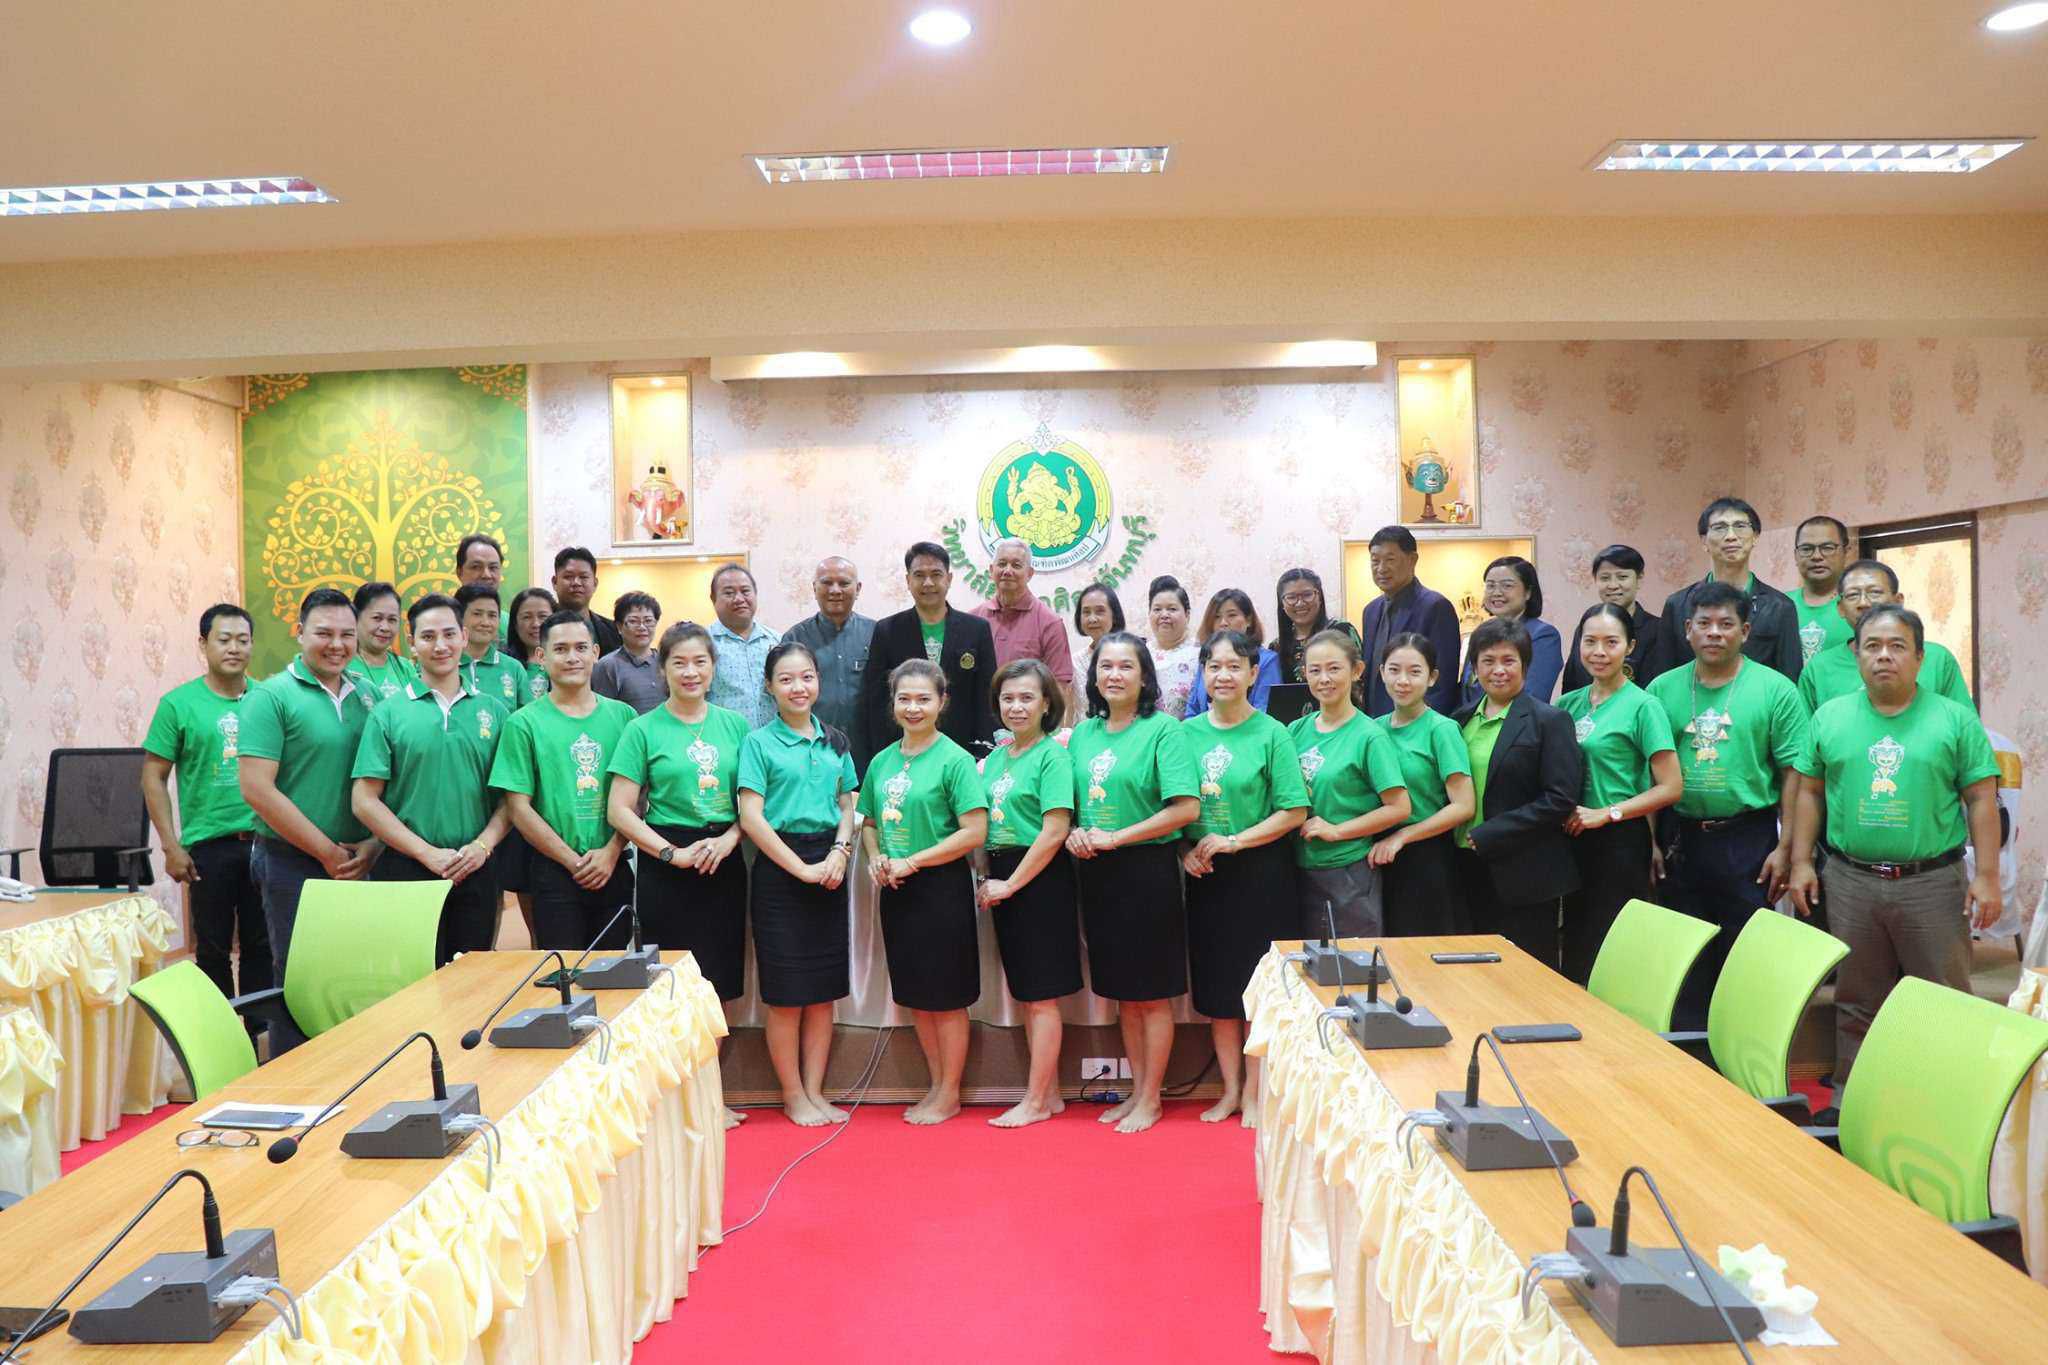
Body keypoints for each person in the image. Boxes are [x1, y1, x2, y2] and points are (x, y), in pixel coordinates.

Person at [1789, 604, 2001, 1084]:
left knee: (1943, 998)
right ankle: (1852, 1095)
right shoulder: (1830, 716)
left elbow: (1981, 799)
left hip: (1932, 883)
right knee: (1856, 998)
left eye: (1897, 646)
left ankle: (1946, 1096)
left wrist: (1988, 876)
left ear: (1920, 657)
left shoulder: (1954, 719)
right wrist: (1801, 861)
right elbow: (1809, 792)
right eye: (1873, 646)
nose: (1884, 656)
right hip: (1851, 880)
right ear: (1857, 656)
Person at [1644, 581, 1812, 1027]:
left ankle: (1741, 1042)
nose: (1714, 633)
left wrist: (1787, 849)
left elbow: (1794, 775)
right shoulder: (1661, 689)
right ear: (1687, 629)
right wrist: (1651, 842)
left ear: (1745, 631)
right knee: (1686, 953)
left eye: (1726, 624)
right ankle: (1689, 1046)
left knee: (1745, 952)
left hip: (1748, 837)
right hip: (1681, 835)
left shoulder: (1776, 689)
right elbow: (1648, 773)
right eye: (1704, 623)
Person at [1065, 632, 1200, 1134]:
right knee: (1123, 991)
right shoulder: (1083, 734)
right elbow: (1074, 805)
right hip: (1097, 873)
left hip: (1146, 872)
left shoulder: (1164, 730)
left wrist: (1118, 837)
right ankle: (1136, 1091)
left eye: (1126, 666)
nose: (1114, 675)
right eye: (1106, 666)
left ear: (1144, 676)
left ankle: (1152, 1098)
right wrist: (1077, 833)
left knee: (1151, 992)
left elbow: (1185, 809)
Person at [1181, 629, 1309, 1125]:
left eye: (1235, 666)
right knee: (1219, 992)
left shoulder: (1273, 733)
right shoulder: (1185, 733)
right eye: (1214, 666)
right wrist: (1185, 852)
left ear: (1254, 674)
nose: (1224, 675)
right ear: (1203, 674)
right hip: (1206, 873)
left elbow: (1294, 811)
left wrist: (1236, 840)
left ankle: (1256, 1094)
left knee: (1257, 991)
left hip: (1261, 875)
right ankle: (1229, 1090)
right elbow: (1173, 806)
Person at [737, 640, 860, 1127]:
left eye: (806, 677)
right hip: (779, 870)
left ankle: (815, 1091)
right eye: (786, 679)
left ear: (818, 681)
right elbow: (752, 817)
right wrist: (801, 869)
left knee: (823, 993)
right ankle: (792, 1095)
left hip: (829, 865)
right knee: (787, 995)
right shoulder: (757, 743)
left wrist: (839, 852)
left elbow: (848, 804)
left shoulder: (835, 740)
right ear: (769, 687)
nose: (798, 687)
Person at [861, 660, 989, 1126]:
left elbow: (974, 831)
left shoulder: (955, 760)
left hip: (940, 889)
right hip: (896, 889)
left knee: (947, 997)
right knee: (917, 995)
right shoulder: (881, 760)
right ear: (893, 702)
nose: (913, 708)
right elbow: (869, 823)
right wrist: (876, 857)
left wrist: (914, 861)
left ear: (942, 702)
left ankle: (950, 1092)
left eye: (923, 699)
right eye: (904, 699)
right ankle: (936, 1086)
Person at [351, 593, 512, 964]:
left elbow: (510, 800)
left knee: (472, 977)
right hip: (406, 868)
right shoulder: (388, 713)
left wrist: (482, 846)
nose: (440, 646)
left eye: (449, 634)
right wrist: (426, 853)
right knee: (412, 979)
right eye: (428, 636)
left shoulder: (494, 711)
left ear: (464, 637)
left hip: (475, 866)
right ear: (412, 643)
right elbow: (364, 800)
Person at [606, 622, 752, 1004]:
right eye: (679, 663)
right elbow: (619, 810)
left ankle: (716, 1046)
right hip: (665, 859)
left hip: (723, 857)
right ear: (663, 669)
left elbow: (753, 802)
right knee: (668, 981)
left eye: (700, 662)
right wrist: (672, 854)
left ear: (713, 667)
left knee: (718, 979)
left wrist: (730, 839)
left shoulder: (736, 725)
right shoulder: (641, 729)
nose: (691, 672)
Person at [238, 587, 379, 979]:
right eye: (324, 633)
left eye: (347, 635)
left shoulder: (369, 695)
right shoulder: (271, 696)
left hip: (358, 859)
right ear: (300, 632)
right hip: (290, 859)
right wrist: (325, 852)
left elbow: (386, 778)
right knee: (303, 976)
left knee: (358, 974)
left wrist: (375, 843)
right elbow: (256, 789)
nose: (337, 645)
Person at [141, 604, 269, 1003]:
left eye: (243, 640)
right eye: (224, 639)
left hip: (266, 842)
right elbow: (153, 776)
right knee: (212, 949)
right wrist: (171, 846)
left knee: (264, 946)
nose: (234, 648)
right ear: (203, 644)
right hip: (209, 846)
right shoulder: (178, 704)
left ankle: (260, 1032)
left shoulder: (269, 699)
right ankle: (222, 1031)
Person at [487, 611, 635, 950]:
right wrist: (572, 861)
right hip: (554, 869)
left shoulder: (624, 717)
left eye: (581, 648)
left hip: (613, 863)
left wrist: (612, 851)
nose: (572, 658)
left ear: (595, 653)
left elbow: (637, 796)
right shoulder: (523, 723)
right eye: (561, 649)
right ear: (542, 656)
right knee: (564, 971)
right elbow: (518, 807)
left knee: (614, 971)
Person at [1556, 604, 1683, 984]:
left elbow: (1671, 786)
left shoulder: (1644, 706)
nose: (1599, 651)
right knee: (1574, 943)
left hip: (1619, 839)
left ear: (1630, 647)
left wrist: (1608, 813)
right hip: (1571, 837)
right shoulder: (1567, 704)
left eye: (1611, 642)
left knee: (1611, 948)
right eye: (1589, 641)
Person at [978, 660, 1081, 1129]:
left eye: (1026, 698)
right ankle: (1050, 1094)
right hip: (1003, 875)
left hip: (1038, 878)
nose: (1016, 707)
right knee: (1027, 992)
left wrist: (1012, 883)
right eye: (1008, 698)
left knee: (1042, 997)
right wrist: (995, 880)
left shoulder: (1053, 756)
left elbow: (1055, 830)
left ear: (1045, 704)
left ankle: (1036, 1101)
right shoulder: (996, 759)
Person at [1453, 618, 1584, 967]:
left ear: (1525, 665)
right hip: (1465, 866)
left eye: (1508, 660)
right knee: (1472, 972)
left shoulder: (1549, 720)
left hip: (1526, 872)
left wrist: (1492, 832)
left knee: (1525, 974)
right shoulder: (1459, 720)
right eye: (1488, 661)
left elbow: (1560, 798)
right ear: (1474, 667)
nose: (1498, 670)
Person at [1287, 628, 1410, 936]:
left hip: (1348, 872)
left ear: (1356, 671)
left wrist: (1337, 831)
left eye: (1334, 668)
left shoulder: (1369, 736)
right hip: (1297, 867)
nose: (1324, 679)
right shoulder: (1294, 731)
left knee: (1351, 961)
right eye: (1315, 670)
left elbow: (1399, 807)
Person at [1367, 633, 1476, 934]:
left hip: (1426, 855)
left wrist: (1403, 836)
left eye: (1415, 672)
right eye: (1394, 670)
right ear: (1381, 673)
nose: (1403, 680)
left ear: (1432, 677)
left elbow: (1463, 806)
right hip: (1376, 852)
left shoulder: (1442, 729)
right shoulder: (1372, 729)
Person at [861, 542, 996, 766]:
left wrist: (983, 754)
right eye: (919, 575)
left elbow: (986, 697)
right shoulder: (887, 630)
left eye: (936, 574)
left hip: (962, 750)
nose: (928, 583)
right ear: (908, 580)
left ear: (949, 579)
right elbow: (875, 701)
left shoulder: (977, 629)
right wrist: (883, 756)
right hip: (904, 750)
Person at [1649, 497, 1802, 682]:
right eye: (1719, 527)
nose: (1731, 536)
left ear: (1755, 536)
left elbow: (1790, 677)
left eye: (1740, 526)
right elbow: (1664, 676)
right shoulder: (1678, 604)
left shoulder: (1779, 607)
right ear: (1704, 540)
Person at [1797, 559, 1973, 713]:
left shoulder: (1937, 659)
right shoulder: (1818, 668)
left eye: (1874, 592)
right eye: (1852, 595)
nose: (1863, 603)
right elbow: (1806, 737)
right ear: (1840, 608)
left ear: (1898, 601)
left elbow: (1965, 727)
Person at [1358, 526, 1463, 716]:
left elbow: (1442, 683)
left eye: (1390, 560)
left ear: (1412, 560)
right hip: (1375, 723)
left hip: (1415, 722)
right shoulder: (1370, 611)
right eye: (1375, 561)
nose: (1381, 568)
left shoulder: (1435, 606)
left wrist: (1423, 727)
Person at [784, 556, 876, 758]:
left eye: (844, 583)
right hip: (811, 750)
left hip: (868, 750)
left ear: (858, 588)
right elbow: (784, 699)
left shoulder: (877, 634)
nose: (835, 590)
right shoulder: (795, 639)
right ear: (814, 588)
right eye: (826, 583)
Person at [1559, 544, 1668, 693]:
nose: (1613, 585)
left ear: (1639, 579)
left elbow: (1660, 687)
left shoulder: (1658, 630)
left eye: (1622, 577)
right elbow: (1572, 684)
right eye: (1605, 578)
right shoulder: (1585, 628)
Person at [972, 538, 1074, 696]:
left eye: (1016, 565)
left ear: (1030, 574)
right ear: (991, 570)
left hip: (1025, 711)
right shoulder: (973, 619)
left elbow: (1059, 687)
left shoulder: (1049, 623)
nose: (1007, 571)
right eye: (1002, 564)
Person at [1460, 556, 1563, 704]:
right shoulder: (1480, 632)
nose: (1496, 592)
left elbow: (1533, 696)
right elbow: (1466, 691)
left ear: (1528, 592)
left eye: (1507, 585)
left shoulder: (1542, 635)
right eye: (1490, 585)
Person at [705, 563, 781, 729]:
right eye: (729, 593)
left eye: (745, 591)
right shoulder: (703, 643)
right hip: (725, 739)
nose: (739, 599)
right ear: (713, 599)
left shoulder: (777, 641)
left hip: (772, 739)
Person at [1183, 588, 1281, 715]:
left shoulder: (1267, 661)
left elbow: (1264, 710)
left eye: (1232, 615)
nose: (1223, 623)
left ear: (1249, 620)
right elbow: (1192, 709)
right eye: (1217, 617)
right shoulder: (1207, 657)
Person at [1271, 567, 1359, 685]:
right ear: (1282, 603)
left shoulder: (1341, 631)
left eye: (1307, 595)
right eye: (1291, 597)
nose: (1300, 603)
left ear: (1320, 597)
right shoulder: (1276, 646)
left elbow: (1360, 678)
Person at [455, 583, 530, 711]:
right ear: (458, 618)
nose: (486, 622)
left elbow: (527, 717)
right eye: (477, 614)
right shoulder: (444, 664)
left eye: (492, 615)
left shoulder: (514, 668)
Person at [1792, 515, 1854, 666]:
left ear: (1846, 552)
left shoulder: (1859, 606)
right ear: (1796, 555)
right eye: (1807, 549)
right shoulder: (1779, 605)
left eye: (1827, 548)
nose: (1817, 556)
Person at [344, 581, 418, 707]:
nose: (385, 627)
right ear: (356, 618)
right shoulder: (342, 666)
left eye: (392, 620)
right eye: (377, 618)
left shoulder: (405, 668)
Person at [591, 590, 666, 713]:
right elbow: (603, 712)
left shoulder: (665, 661)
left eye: (648, 621)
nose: (642, 627)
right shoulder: (608, 666)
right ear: (619, 627)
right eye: (633, 621)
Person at [550, 547, 624, 657]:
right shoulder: (540, 627)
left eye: (583, 577)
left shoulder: (614, 631)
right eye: (568, 577)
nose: (576, 582)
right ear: (555, 582)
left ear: (595, 583)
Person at [1145, 575, 1201, 720]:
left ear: (1187, 614)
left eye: (1172, 609)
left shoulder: (1201, 653)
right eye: (1157, 609)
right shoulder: (1140, 653)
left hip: (1189, 730)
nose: (1164, 615)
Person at [1068, 582, 1125, 711]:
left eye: (1100, 611)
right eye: (1086, 612)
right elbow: (1071, 709)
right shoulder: (1075, 662)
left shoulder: (1131, 655)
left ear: (1114, 615)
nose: (1092, 619)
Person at [503, 586, 558, 703]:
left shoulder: (568, 663)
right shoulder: (504, 665)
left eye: (543, 616)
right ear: (515, 624)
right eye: (527, 617)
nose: (536, 624)